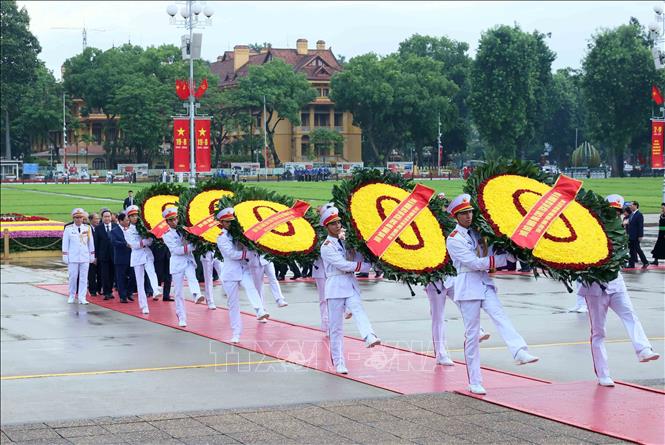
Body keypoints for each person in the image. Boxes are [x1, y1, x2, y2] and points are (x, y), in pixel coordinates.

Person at [446, 194, 538, 395]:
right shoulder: (454, 239)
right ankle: (474, 380)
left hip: (484, 283)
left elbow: (490, 251)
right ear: (456, 216)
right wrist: (505, 259)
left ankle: (519, 350)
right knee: (472, 335)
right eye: (463, 213)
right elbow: (475, 263)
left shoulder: (477, 233)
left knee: (500, 316)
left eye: (470, 212)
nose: (469, 216)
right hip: (468, 285)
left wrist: (512, 251)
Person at [577, 194, 660, 387]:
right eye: (611, 211)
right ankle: (603, 374)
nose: (615, 215)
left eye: (618, 212)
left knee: (630, 315)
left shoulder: (620, 231)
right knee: (598, 332)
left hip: (616, 284)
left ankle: (643, 349)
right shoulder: (590, 229)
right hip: (595, 288)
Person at [320, 205, 381, 375]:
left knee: (358, 309)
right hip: (335, 287)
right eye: (333, 224)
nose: (337, 225)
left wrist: (360, 250)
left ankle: (369, 336)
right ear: (327, 227)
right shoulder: (326, 246)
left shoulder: (345, 241)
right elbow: (343, 265)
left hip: (350, 284)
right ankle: (339, 362)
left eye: (338, 222)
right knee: (336, 328)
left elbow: (354, 257)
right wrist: (364, 266)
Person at [216, 207, 269, 343]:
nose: (229, 224)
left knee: (252, 288)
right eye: (226, 222)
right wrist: (246, 254)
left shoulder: (238, 234)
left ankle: (260, 311)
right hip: (230, 272)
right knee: (233, 304)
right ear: (221, 223)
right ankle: (236, 333)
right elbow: (231, 254)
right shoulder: (221, 238)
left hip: (243, 269)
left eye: (231, 221)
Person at [161, 207, 203, 327]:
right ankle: (181, 316)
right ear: (167, 222)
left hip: (188, 260)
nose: (174, 222)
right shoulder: (167, 235)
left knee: (192, 277)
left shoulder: (184, 229)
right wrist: (191, 246)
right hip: (177, 263)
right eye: (171, 220)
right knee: (178, 292)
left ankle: (196, 294)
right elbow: (176, 250)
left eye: (175, 219)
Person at [123, 205, 162, 314]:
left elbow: (150, 241)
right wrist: (143, 242)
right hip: (137, 256)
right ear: (129, 218)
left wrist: (146, 240)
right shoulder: (127, 231)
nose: (135, 218)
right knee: (140, 282)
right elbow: (132, 244)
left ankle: (155, 290)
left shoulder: (144, 227)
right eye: (132, 216)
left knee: (152, 272)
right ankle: (144, 306)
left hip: (146, 253)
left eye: (136, 215)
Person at [62, 208, 95, 304]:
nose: (78, 219)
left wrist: (92, 254)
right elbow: (65, 243)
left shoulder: (87, 228)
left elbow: (90, 243)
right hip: (73, 257)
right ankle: (72, 295)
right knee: (73, 277)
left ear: (83, 218)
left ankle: (82, 297)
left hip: (84, 256)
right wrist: (65, 255)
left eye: (80, 217)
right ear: (73, 218)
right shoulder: (68, 229)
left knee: (84, 278)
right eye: (76, 217)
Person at [110, 212, 134, 303]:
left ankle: (129, 292)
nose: (128, 222)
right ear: (120, 221)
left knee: (133, 276)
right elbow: (114, 242)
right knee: (121, 278)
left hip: (132, 257)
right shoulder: (114, 231)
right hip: (121, 258)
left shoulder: (131, 230)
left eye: (128, 220)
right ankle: (122, 296)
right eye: (126, 220)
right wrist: (125, 244)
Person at [94, 209, 117, 300]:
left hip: (114, 255)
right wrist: (95, 256)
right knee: (104, 274)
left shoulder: (115, 226)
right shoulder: (98, 228)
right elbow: (96, 243)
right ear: (102, 218)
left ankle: (110, 291)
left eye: (108, 216)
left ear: (111, 217)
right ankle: (106, 292)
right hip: (103, 255)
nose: (107, 218)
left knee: (112, 274)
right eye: (105, 217)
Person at [626, 200, 649, 269]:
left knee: (638, 249)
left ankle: (645, 262)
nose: (630, 206)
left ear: (635, 206)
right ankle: (631, 264)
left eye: (631, 205)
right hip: (630, 235)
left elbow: (640, 226)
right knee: (631, 250)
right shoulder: (631, 214)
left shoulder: (639, 215)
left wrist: (640, 235)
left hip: (636, 236)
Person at [87, 212, 101, 297]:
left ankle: (99, 289)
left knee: (100, 274)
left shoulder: (100, 228)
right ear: (91, 220)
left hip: (100, 255)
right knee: (91, 274)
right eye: (96, 219)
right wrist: (93, 257)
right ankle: (92, 290)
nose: (98, 220)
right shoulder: (87, 229)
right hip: (90, 255)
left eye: (98, 219)